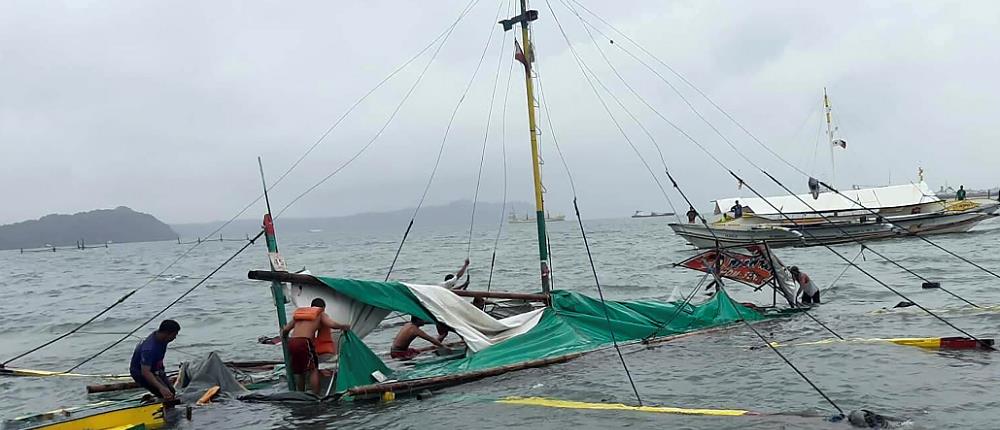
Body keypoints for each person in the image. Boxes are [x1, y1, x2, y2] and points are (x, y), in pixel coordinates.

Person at [281, 298, 350, 395]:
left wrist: (283, 335)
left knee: (299, 370)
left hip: (292, 342)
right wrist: (343, 326)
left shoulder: (300, 314)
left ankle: (300, 394)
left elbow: (286, 330)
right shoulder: (320, 314)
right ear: (322, 308)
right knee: (313, 369)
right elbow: (331, 324)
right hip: (304, 342)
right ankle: (316, 395)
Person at [130, 320, 180, 401]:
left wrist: (162, 376)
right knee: (166, 395)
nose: (175, 337)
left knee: (171, 392)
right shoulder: (149, 349)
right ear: (167, 334)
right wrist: (161, 388)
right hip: (141, 372)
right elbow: (145, 372)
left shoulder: (162, 338)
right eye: (174, 335)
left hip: (155, 368)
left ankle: (153, 398)